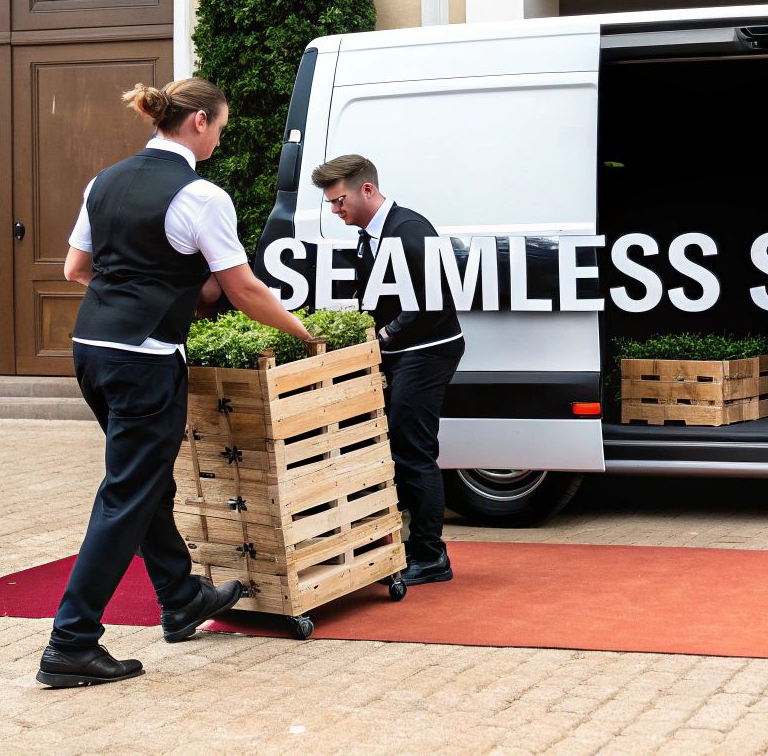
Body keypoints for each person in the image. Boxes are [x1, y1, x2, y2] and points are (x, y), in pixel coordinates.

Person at [37, 77, 313, 689]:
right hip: (144, 359)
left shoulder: (102, 181)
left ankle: (181, 596)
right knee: (126, 496)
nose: (219, 135)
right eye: (219, 125)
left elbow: (75, 269)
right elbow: (241, 289)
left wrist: (136, 293)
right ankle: (71, 642)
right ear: (197, 124)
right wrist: (302, 334)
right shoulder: (202, 196)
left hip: (92, 351)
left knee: (144, 483)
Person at [309, 154, 464, 585]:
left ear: (367, 190)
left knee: (413, 452)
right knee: (398, 448)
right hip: (404, 352)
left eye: (339, 201)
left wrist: (386, 334)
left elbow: (435, 301)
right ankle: (399, 547)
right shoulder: (371, 235)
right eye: (330, 204)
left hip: (429, 351)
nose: (335, 211)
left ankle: (431, 556)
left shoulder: (410, 232)